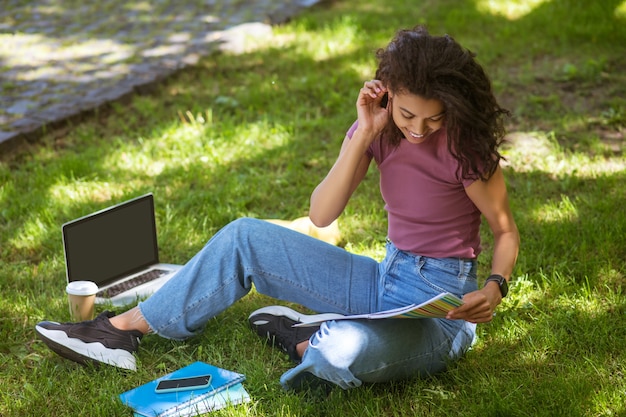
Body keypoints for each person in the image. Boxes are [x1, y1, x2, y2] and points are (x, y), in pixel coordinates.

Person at [35, 25, 519, 391]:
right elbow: (322, 214)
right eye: (407, 114)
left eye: (433, 119)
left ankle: (309, 338)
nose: (417, 129)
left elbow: (505, 232)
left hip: (438, 310)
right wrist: (365, 135)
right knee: (246, 236)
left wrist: (494, 288)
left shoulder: (464, 149)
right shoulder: (378, 131)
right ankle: (119, 332)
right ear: (386, 94)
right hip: (384, 280)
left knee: (338, 355)